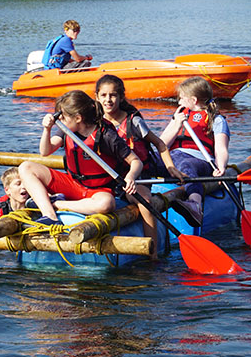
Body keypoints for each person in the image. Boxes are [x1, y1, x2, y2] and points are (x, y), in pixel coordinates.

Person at [17, 90, 143, 225]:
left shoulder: (107, 136)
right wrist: (47, 130)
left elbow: (136, 161)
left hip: (99, 190)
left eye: (63, 117)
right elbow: (45, 151)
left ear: (78, 118)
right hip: (73, 184)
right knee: (26, 167)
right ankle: (50, 215)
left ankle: (57, 204)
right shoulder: (66, 130)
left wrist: (130, 177)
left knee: (106, 204)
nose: (59, 120)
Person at [95, 74, 187, 241]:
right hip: (109, 179)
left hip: (137, 180)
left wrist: (171, 168)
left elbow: (160, 144)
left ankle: (152, 252)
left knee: (145, 202)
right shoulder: (94, 122)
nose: (108, 100)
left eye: (113, 95)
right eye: (103, 95)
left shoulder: (134, 122)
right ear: (97, 97)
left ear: (121, 97)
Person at [158, 77, 230, 228]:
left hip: (199, 161)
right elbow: (162, 144)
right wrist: (176, 125)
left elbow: (221, 149)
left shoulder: (216, 120)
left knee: (186, 164)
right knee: (145, 159)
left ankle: (195, 204)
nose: (179, 103)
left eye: (182, 99)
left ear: (194, 100)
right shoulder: (179, 115)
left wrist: (221, 167)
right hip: (172, 158)